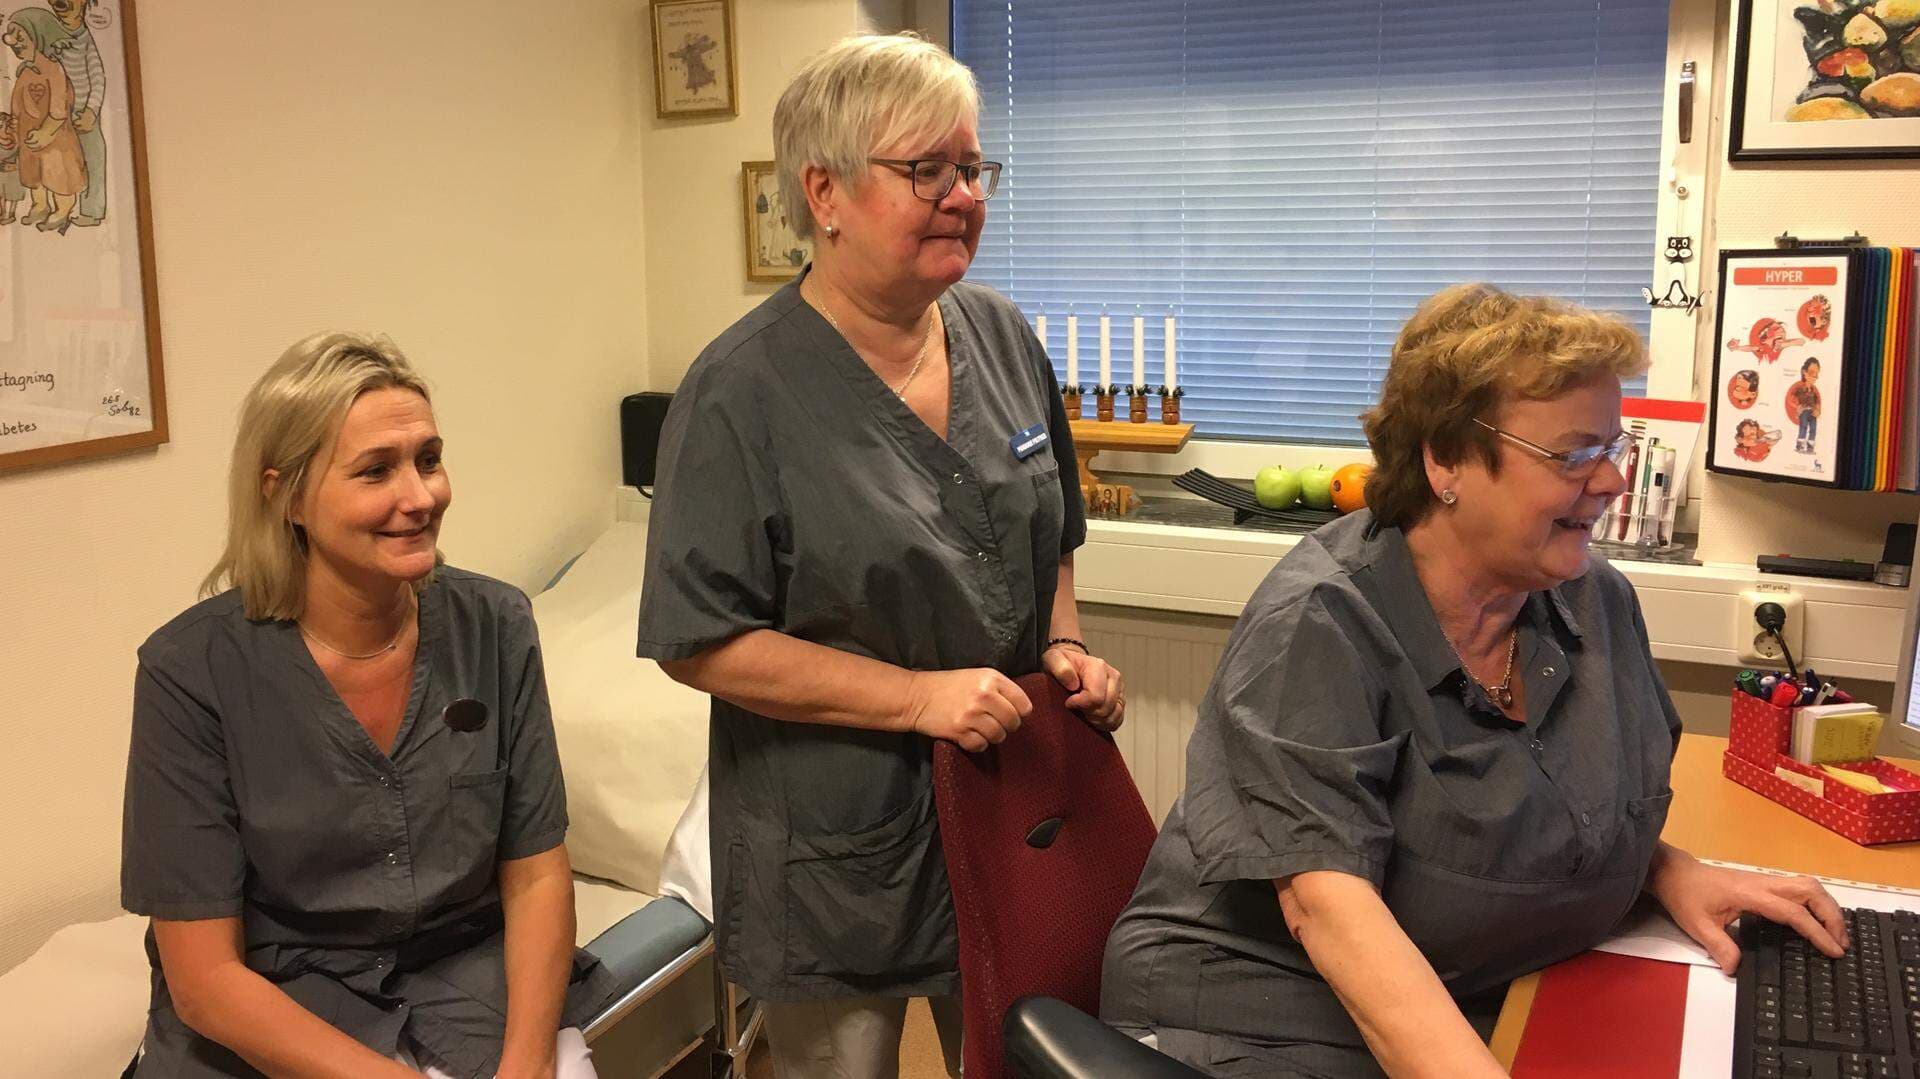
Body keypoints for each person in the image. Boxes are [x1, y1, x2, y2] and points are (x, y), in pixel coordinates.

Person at [1100, 284, 1849, 1078]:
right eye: (1574, 455)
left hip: (1474, 989)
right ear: (1446, 457)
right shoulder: (1319, 624)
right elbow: (1330, 911)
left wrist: (1668, 871)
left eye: (1614, 447)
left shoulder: (1592, 600)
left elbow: (1554, 804)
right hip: (1261, 1018)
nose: (1612, 484)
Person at [636, 32, 1125, 1079]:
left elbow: (1054, 540)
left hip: (1006, 814)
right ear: (824, 190)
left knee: (1026, 1058)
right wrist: (916, 697)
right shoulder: (739, 392)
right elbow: (699, 640)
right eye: (926, 171)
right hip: (833, 849)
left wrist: (1068, 648)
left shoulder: (1002, 336)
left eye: (972, 168)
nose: (963, 195)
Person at [121, 332, 615, 1078]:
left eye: (429, 458)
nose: (420, 497)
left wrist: (525, 1066)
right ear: (284, 493)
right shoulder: (191, 673)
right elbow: (205, 979)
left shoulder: (495, 626)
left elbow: (538, 871)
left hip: (466, 972)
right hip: (279, 991)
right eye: (376, 470)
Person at [1, 8, 83, 232]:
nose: (14, 42)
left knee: (57, 174)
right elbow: (17, 102)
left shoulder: (54, 69)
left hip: (54, 138)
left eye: (20, 36)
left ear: (37, 36)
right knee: (33, 175)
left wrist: (47, 131)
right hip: (28, 136)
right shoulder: (26, 72)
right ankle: (40, 205)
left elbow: (59, 108)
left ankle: (63, 209)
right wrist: (15, 126)